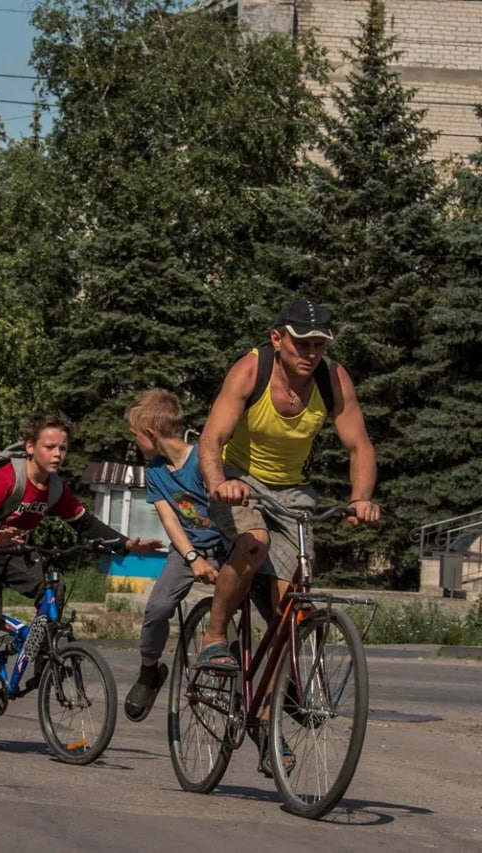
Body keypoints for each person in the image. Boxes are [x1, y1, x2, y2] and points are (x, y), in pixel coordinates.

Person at [197, 298, 380, 771]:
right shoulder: (250, 370)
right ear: (278, 339)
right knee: (252, 541)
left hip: (294, 491)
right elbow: (212, 439)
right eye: (302, 342)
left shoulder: (332, 380)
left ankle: (262, 720)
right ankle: (215, 635)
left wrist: (361, 496)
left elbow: (359, 444)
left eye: (319, 344)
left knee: (292, 612)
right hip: (239, 480)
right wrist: (219, 484)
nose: (311, 352)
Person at [0, 411, 162, 722]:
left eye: (62, 448)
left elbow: (85, 523)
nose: (57, 454)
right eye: (50, 447)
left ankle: (46, 662)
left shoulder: (55, 488)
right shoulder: (8, 475)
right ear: (31, 447)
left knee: (53, 587)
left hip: (15, 552)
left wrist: (127, 545)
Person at [122, 389, 224, 723]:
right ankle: (150, 670)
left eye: (136, 436)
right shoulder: (155, 471)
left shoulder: (203, 459)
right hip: (186, 550)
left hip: (225, 546)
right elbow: (170, 520)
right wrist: (193, 557)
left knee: (255, 601)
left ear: (151, 433)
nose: (135, 443)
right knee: (158, 607)